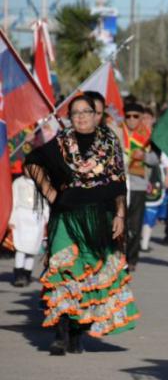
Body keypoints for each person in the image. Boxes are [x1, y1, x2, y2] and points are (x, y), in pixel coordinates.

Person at [24, 94, 139, 355]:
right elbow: (32, 161)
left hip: (101, 217)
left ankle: (77, 331)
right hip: (67, 216)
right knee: (64, 269)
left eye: (86, 112)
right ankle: (61, 333)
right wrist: (50, 193)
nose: (81, 117)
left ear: (96, 114)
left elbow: (118, 182)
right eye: (75, 113)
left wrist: (120, 215)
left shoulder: (109, 141)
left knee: (90, 274)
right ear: (70, 117)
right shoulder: (62, 141)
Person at [123, 102, 159, 271]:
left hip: (138, 184)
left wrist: (143, 155)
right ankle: (118, 257)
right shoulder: (118, 133)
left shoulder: (147, 135)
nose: (131, 120)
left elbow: (155, 159)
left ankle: (132, 258)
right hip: (120, 184)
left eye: (135, 116)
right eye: (128, 116)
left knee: (135, 224)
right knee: (119, 223)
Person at [9, 169, 50, 287]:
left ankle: (27, 274)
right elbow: (13, 200)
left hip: (36, 218)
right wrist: (11, 219)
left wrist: (46, 218)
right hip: (21, 216)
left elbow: (45, 202)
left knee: (32, 249)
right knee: (20, 248)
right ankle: (18, 275)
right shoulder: (18, 182)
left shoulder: (41, 182)